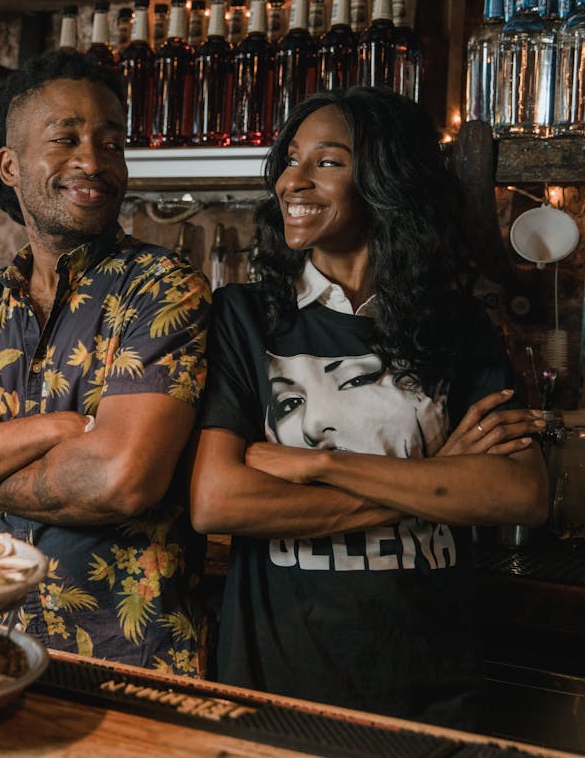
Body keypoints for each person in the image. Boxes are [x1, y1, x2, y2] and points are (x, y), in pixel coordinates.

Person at [189, 87, 548, 728]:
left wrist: (316, 468)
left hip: (430, 680)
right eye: (290, 159)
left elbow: (519, 493)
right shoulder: (246, 317)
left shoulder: (456, 325)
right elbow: (219, 500)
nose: (290, 180)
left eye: (326, 162)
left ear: (386, 181)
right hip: (280, 676)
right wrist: (438, 475)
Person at [0, 50, 212, 676]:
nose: (93, 161)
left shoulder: (163, 288)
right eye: (67, 139)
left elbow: (120, 478)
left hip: (127, 658)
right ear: (10, 165)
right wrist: (53, 430)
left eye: (112, 144)